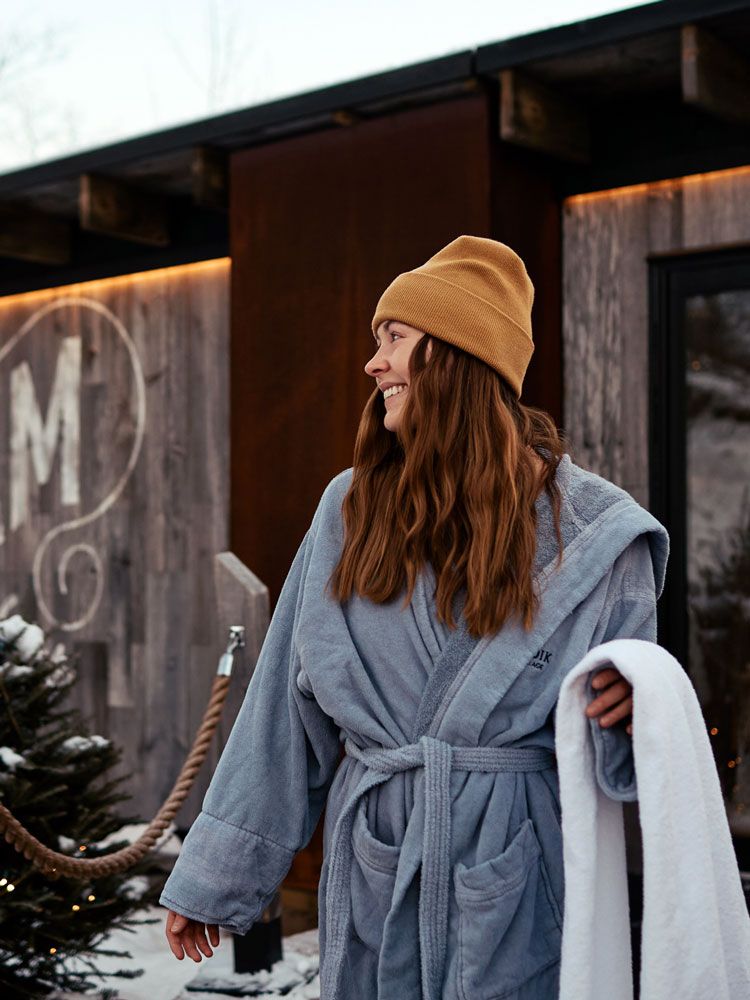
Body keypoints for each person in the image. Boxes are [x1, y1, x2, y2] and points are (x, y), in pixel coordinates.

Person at [160, 235, 669, 999]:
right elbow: (282, 714)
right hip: (377, 865)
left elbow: (628, 748)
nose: (374, 364)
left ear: (461, 355)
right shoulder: (350, 509)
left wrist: (640, 707)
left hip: (519, 875)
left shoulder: (600, 538)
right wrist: (217, 876)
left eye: (394, 338)